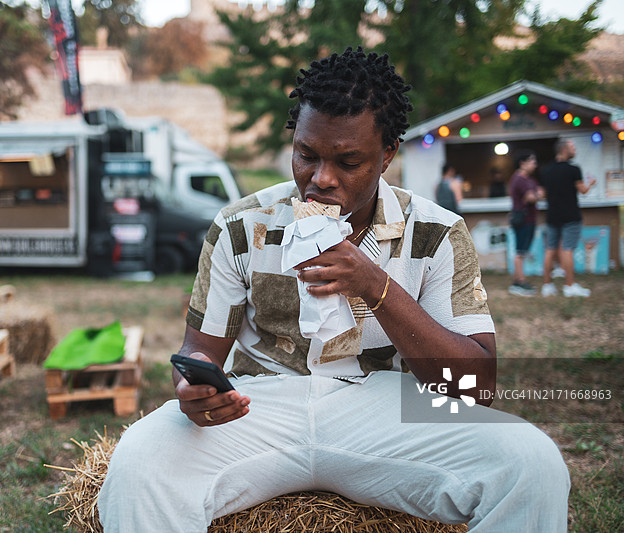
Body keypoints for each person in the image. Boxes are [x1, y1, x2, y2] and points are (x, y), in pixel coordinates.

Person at [98, 47, 569, 532]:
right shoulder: (242, 224)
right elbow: (200, 349)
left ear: (387, 155)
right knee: (138, 463)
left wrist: (373, 283)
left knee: (531, 465)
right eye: (307, 155)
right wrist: (192, 390)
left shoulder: (435, 231)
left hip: (387, 405)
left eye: (348, 162)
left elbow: (477, 386)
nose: (320, 180)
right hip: (260, 404)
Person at [540, 139, 596, 298]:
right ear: (564, 150)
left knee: (550, 249)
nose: (575, 150)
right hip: (570, 216)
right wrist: (591, 183)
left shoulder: (546, 170)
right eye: (572, 147)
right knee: (567, 249)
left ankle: (547, 285)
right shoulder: (573, 169)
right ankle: (569, 286)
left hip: (552, 216)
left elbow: (543, 194)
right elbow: (583, 190)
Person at [507, 150, 542, 296]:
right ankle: (519, 282)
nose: (535, 164)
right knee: (520, 252)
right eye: (532, 161)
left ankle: (519, 280)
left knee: (523, 251)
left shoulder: (529, 180)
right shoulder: (519, 179)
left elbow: (538, 193)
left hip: (529, 220)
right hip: (523, 220)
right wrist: (536, 194)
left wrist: (537, 194)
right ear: (523, 163)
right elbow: (532, 197)